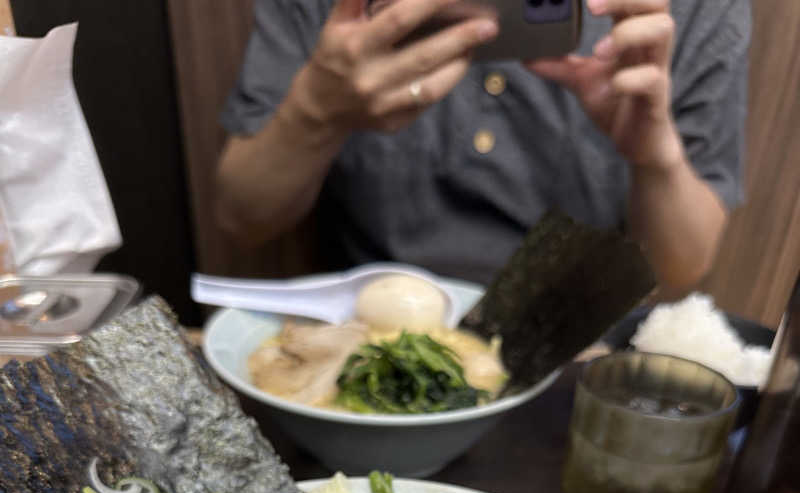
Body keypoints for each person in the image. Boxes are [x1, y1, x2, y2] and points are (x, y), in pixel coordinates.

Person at [216, 0, 750, 290]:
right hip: (362, 336)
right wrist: (317, 109)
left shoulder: (696, 8)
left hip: (579, 357)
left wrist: (653, 155)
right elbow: (243, 217)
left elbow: (680, 271)